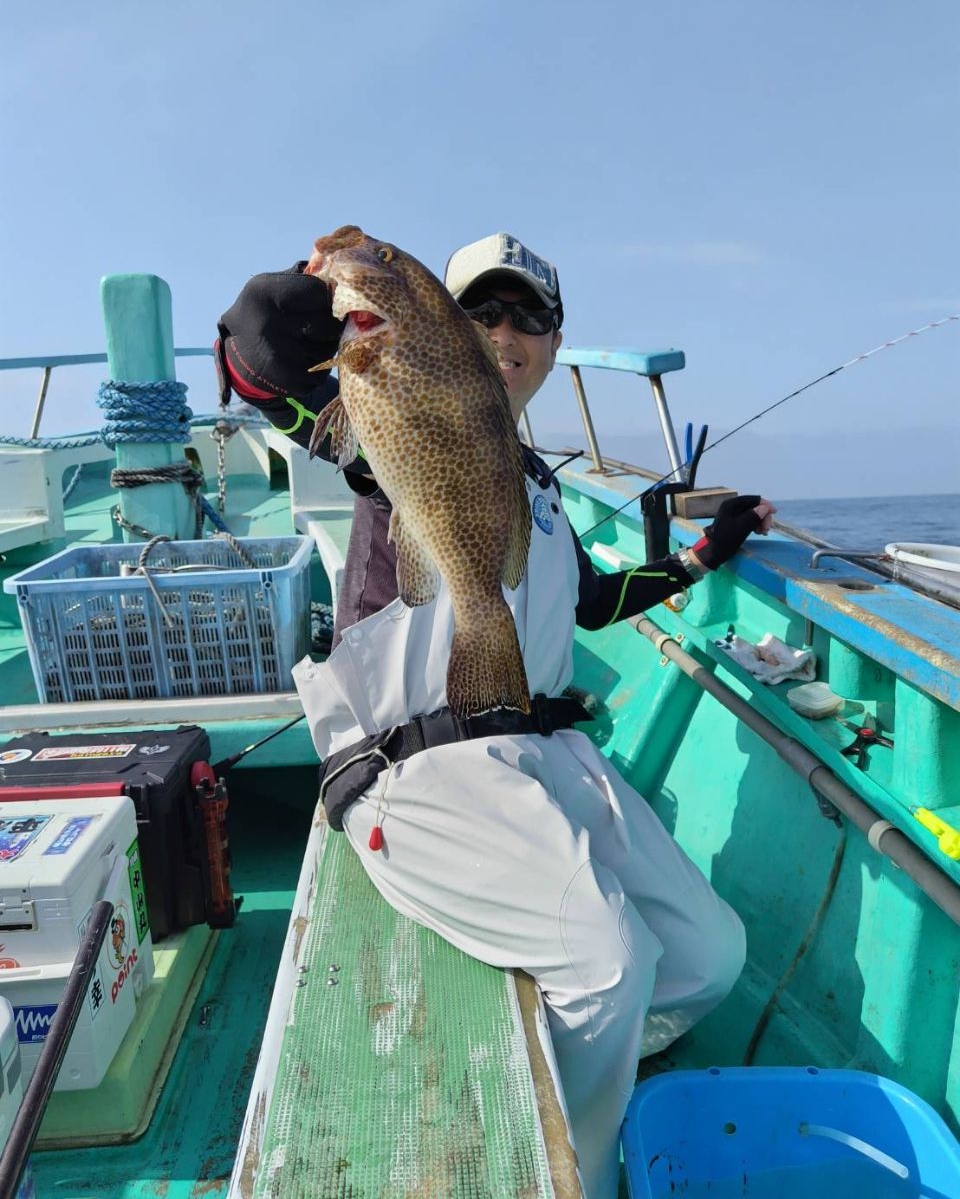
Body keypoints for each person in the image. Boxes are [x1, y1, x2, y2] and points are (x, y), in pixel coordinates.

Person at [217, 232, 776, 1199]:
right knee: (609, 964)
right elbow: (259, 353)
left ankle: (556, 1078)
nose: (509, 332)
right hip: (419, 767)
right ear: (448, 332)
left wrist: (698, 558)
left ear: (555, 346)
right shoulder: (384, 414)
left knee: (708, 957)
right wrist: (299, 296)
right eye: (484, 312)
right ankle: (572, 1174)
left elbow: (587, 601)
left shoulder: (537, 482)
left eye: (533, 317)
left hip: (543, 749)